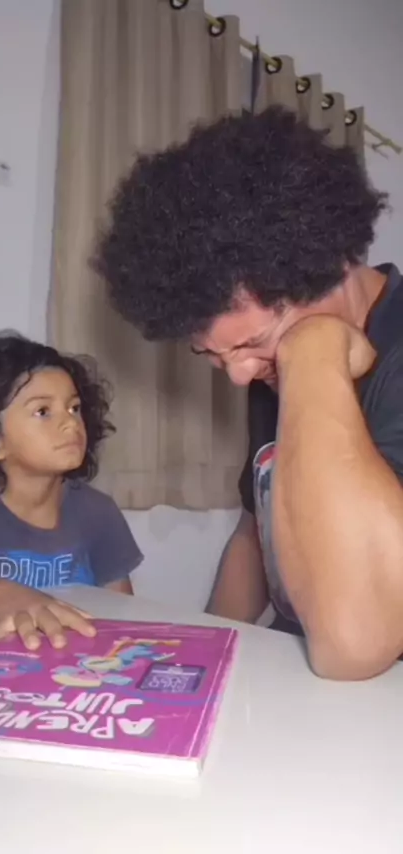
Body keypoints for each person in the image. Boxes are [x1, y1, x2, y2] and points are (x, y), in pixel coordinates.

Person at [93, 105, 403, 681]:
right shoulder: (267, 368)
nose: (238, 375)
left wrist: (311, 351)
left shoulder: (327, 356)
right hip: (296, 678)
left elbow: (357, 644)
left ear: (334, 262)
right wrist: (200, 654)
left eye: (255, 342)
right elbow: (255, 531)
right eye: (213, 355)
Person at [0, 332, 143, 643]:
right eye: (43, 412)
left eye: (74, 408)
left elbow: (122, 618)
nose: (71, 423)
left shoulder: (99, 513)